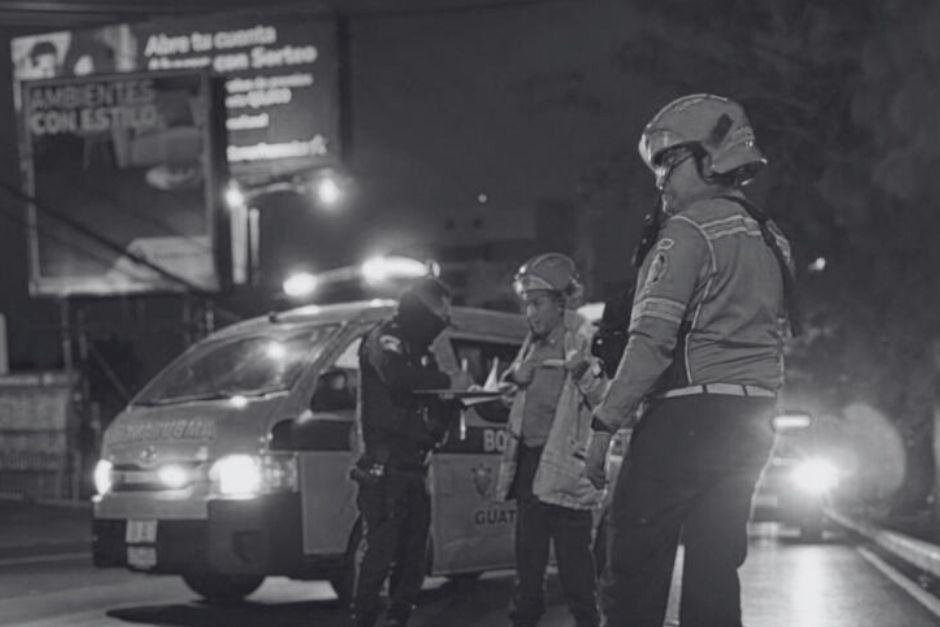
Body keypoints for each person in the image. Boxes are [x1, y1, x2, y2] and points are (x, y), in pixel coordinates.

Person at [584, 94, 799, 627]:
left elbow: (651, 343)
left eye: (668, 162)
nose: (660, 181)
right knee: (715, 572)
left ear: (711, 154)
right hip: (751, 424)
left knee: (633, 563)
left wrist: (604, 425)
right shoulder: (773, 239)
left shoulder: (687, 233)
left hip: (685, 419)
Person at [492, 253, 607, 627]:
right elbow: (516, 396)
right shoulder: (533, 342)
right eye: (527, 304)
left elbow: (608, 400)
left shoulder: (587, 339)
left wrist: (584, 372)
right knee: (528, 566)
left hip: (566, 468)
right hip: (530, 465)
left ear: (561, 302)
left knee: (575, 568)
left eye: (538, 303)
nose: (530, 313)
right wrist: (514, 380)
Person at [349, 278, 472, 627]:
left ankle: (398, 618)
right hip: (386, 466)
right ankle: (364, 619)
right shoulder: (384, 339)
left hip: (415, 466)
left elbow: (429, 403)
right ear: (423, 309)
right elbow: (399, 378)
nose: (443, 322)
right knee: (381, 550)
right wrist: (447, 383)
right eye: (440, 314)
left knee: (413, 555)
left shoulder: (422, 353)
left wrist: (457, 399)